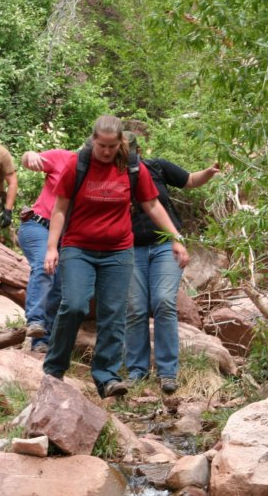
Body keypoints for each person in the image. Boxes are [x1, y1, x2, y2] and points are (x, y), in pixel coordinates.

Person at [42, 115, 190, 398]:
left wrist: (176, 238)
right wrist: (52, 247)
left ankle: (107, 377)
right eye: (102, 146)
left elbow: (152, 204)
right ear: (93, 141)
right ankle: (55, 368)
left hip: (119, 251)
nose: (107, 152)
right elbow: (60, 208)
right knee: (74, 305)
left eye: (112, 146)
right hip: (78, 248)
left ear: (120, 142)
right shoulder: (78, 164)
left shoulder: (132, 166)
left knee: (113, 314)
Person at [125, 132, 220, 393]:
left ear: (139, 150)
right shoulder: (110, 178)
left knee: (164, 302)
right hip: (130, 249)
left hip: (165, 245)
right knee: (134, 307)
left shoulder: (156, 167)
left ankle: (168, 372)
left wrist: (209, 172)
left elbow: (189, 180)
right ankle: (137, 371)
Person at [17, 148, 74, 353]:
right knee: (44, 264)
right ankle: (35, 321)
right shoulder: (64, 158)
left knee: (58, 285)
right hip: (37, 225)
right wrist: (29, 155)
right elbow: (26, 160)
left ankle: (42, 341)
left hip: (65, 236)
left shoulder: (99, 176)